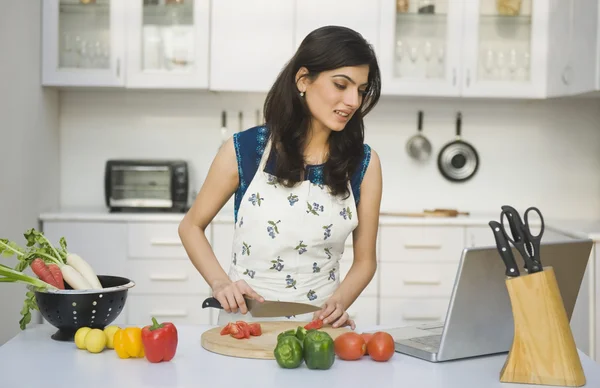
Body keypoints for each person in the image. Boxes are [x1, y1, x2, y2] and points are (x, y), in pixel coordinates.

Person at [178, 25, 382, 330]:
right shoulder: (245, 149)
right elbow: (191, 226)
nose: (353, 100)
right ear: (303, 80)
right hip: (245, 328)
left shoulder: (364, 163)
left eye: (361, 90)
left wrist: (339, 304)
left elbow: (365, 261)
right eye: (341, 85)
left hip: (320, 332)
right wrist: (221, 284)